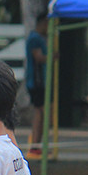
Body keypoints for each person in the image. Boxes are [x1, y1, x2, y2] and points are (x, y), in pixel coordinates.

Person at [24, 13, 49, 159]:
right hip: (36, 81)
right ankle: (35, 145)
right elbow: (38, 57)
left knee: (41, 111)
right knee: (39, 112)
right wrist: (53, 56)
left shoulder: (37, 38)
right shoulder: (35, 39)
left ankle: (36, 143)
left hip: (38, 81)